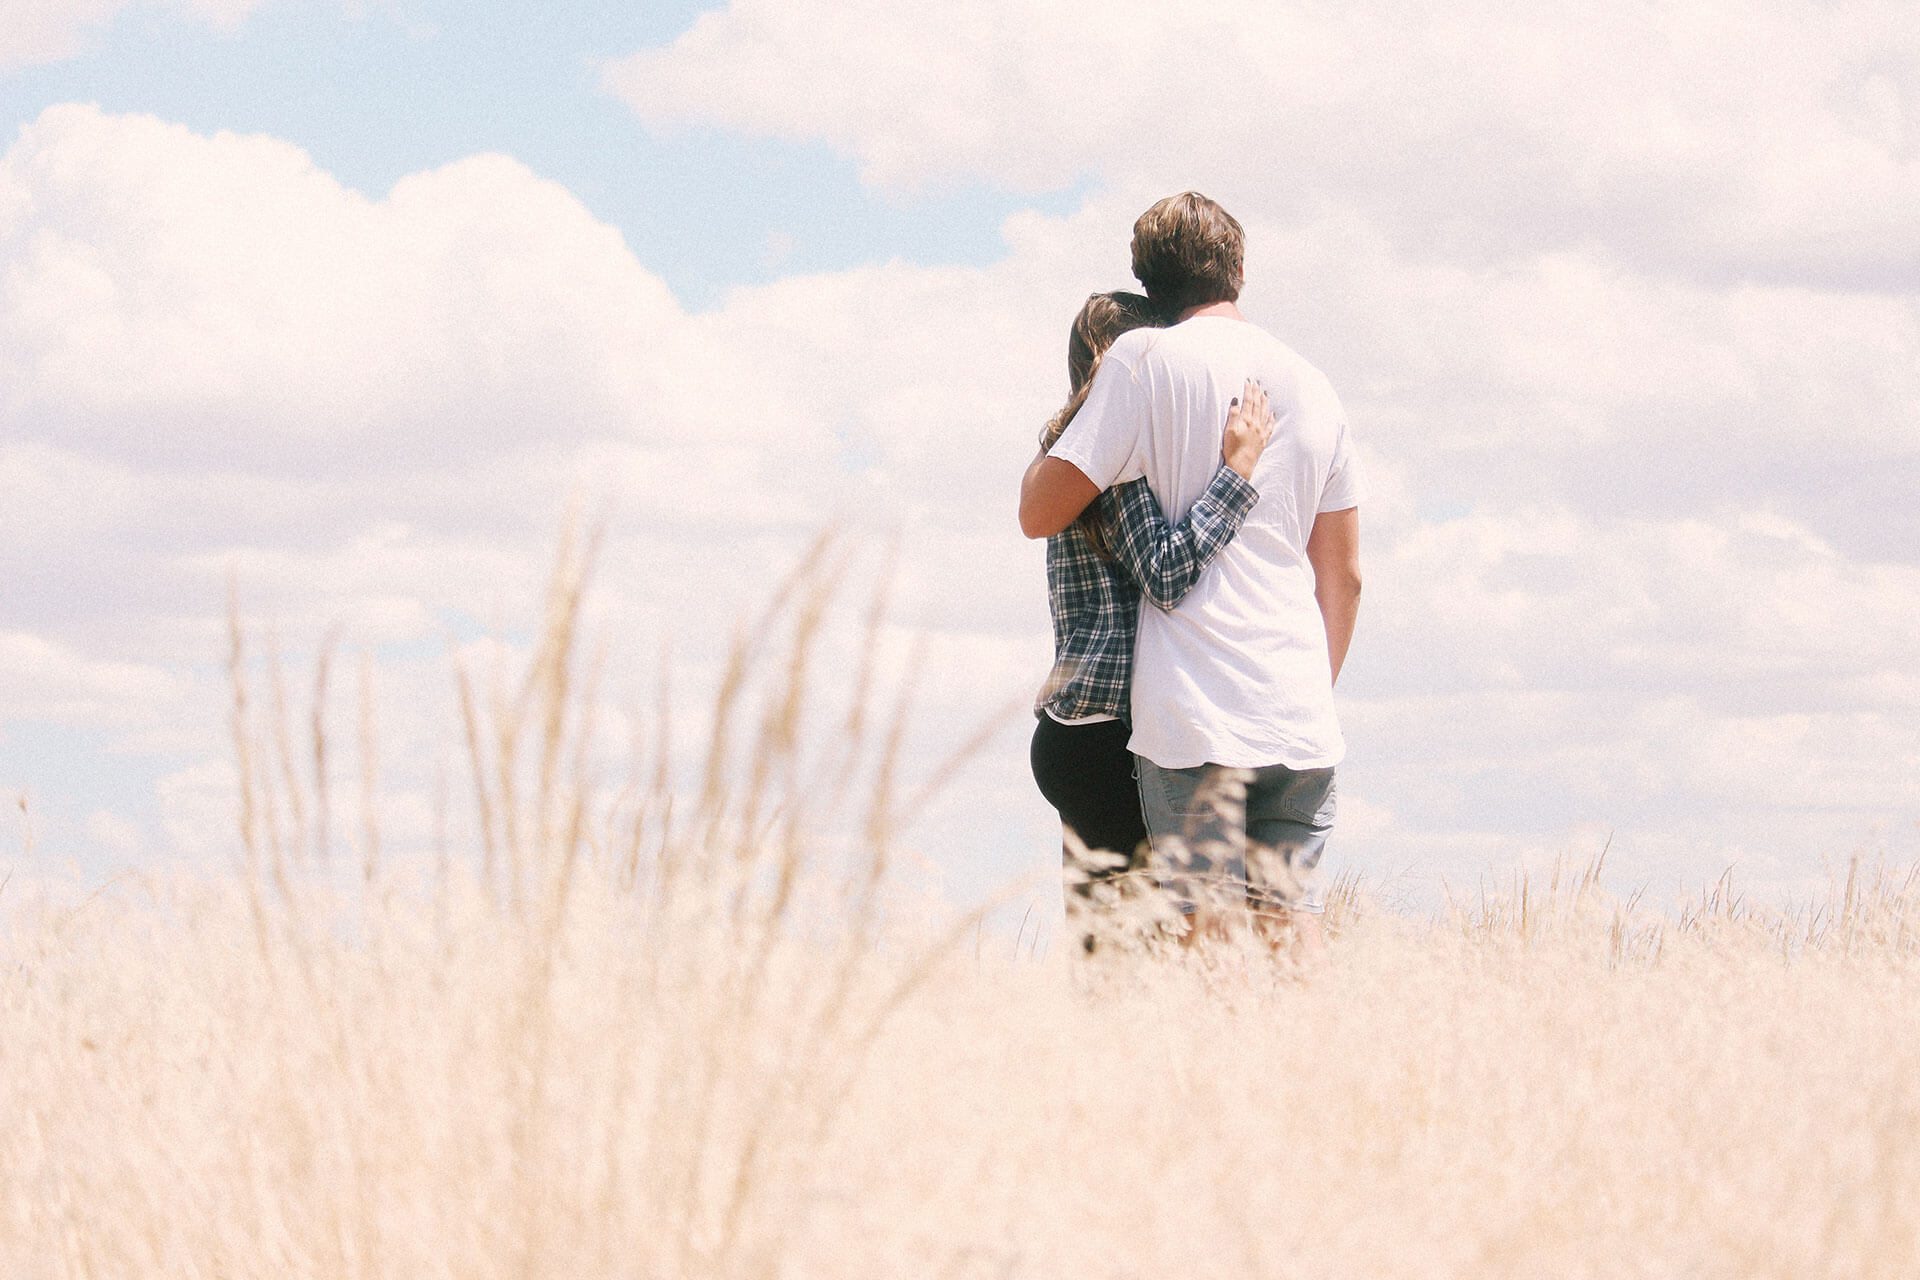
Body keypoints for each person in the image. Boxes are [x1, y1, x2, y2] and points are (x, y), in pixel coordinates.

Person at [1019, 193, 1364, 963]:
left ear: (1149, 276)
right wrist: (1309, 687)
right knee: (1290, 917)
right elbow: (1344, 577)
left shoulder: (1141, 372)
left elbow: (1051, 517)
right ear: (1239, 266)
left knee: (1184, 940)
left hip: (1188, 715)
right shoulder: (1315, 382)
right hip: (1293, 709)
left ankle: (1201, 1074)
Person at [1027, 291, 1275, 948]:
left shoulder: (1070, 453)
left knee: (1107, 956)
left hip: (1076, 730)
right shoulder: (1117, 459)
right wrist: (1236, 474)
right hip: (1113, 736)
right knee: (1149, 956)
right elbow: (1166, 573)